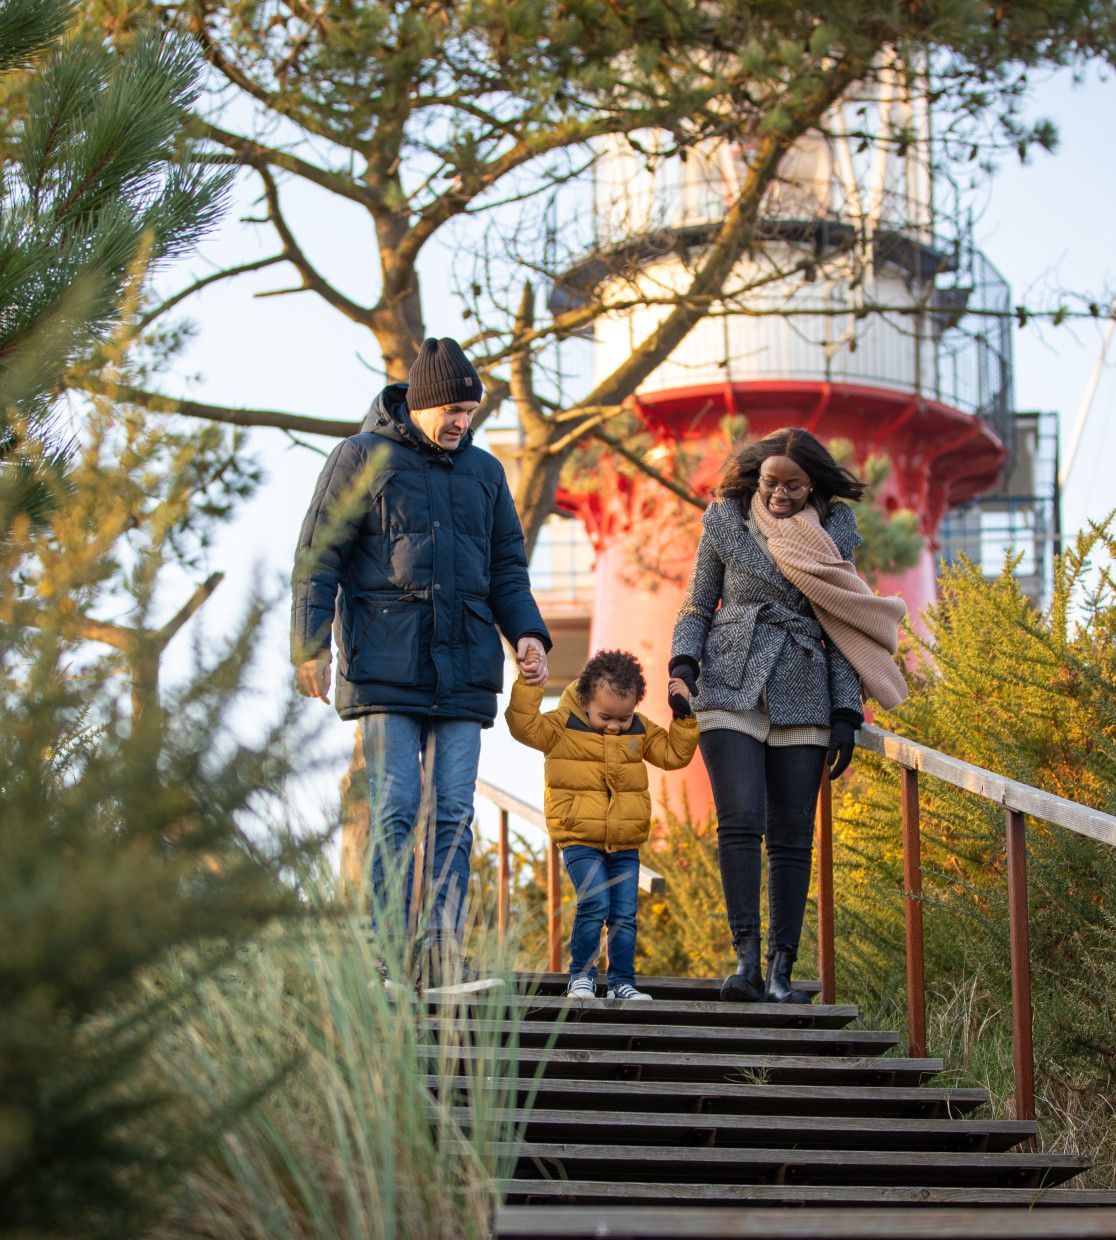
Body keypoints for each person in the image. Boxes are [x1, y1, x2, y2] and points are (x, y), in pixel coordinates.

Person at [291, 337, 551, 987]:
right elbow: (319, 556)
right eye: (454, 409)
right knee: (398, 806)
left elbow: (506, 571)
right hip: (387, 662)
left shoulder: (486, 474)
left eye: (472, 409)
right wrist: (309, 645)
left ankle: (439, 948)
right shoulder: (361, 457)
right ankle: (382, 948)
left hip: (463, 667)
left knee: (455, 812)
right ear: (421, 404)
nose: (463, 421)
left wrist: (528, 633)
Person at [670, 428, 907, 1005]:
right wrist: (682, 662)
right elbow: (700, 602)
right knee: (741, 819)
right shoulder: (725, 520)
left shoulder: (834, 533)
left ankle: (781, 971)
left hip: (805, 683)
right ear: (757, 476)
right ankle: (745, 962)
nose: (779, 494)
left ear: (813, 486)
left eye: (794, 486)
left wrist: (848, 709)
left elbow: (841, 620)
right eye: (771, 482)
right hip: (729, 680)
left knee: (792, 836)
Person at [506, 648, 699, 1001]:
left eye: (623, 719)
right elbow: (523, 726)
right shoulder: (561, 725)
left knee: (624, 914)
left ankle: (623, 983)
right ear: (584, 700)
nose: (615, 725)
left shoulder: (639, 731)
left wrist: (683, 716)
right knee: (594, 903)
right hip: (579, 838)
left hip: (625, 843)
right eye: (606, 716)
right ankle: (581, 977)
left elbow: (673, 754)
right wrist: (529, 684)